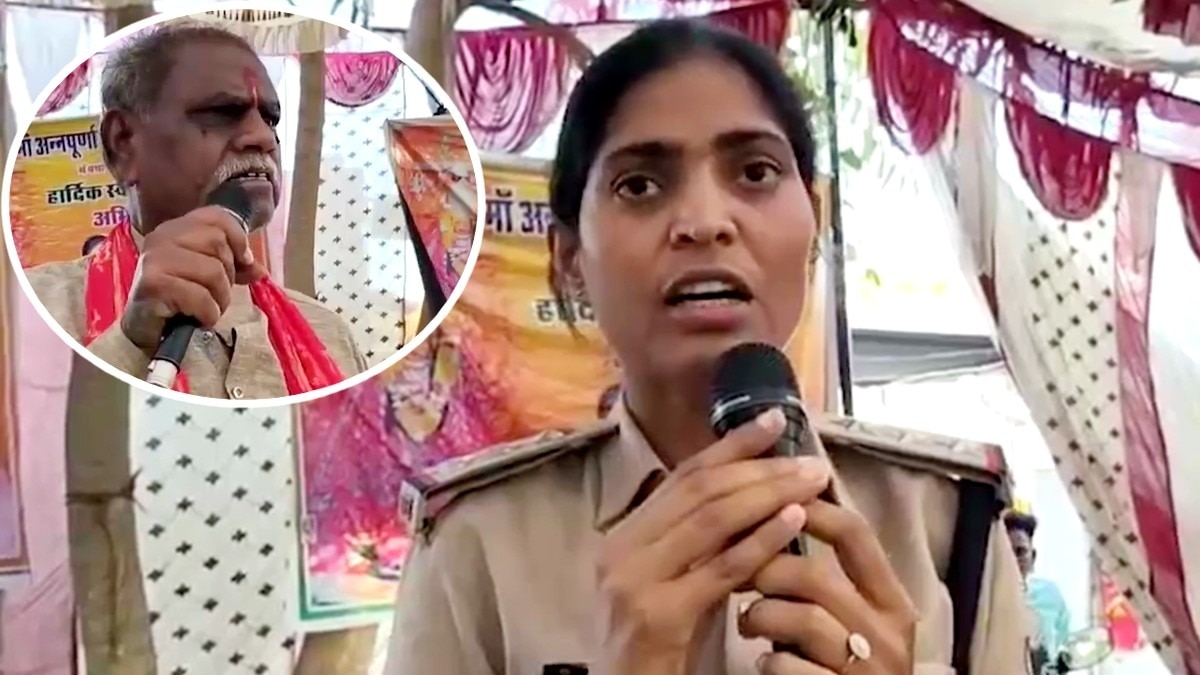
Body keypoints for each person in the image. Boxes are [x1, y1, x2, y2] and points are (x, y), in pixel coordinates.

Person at [385, 19, 1029, 675]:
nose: (704, 222)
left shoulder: (948, 522)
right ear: (570, 257)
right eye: (640, 185)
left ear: (812, 224)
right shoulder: (476, 544)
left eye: (755, 172)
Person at [24, 22, 365, 400]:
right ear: (123, 143)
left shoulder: (328, 335)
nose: (263, 137)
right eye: (222, 113)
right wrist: (130, 344)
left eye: (271, 118)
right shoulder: (29, 311)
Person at [1005, 510, 1071, 673]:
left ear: (1033, 557)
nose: (1013, 561)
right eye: (1006, 553)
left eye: (1020, 552)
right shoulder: (983, 600)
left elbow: (1063, 646)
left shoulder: (1051, 595)